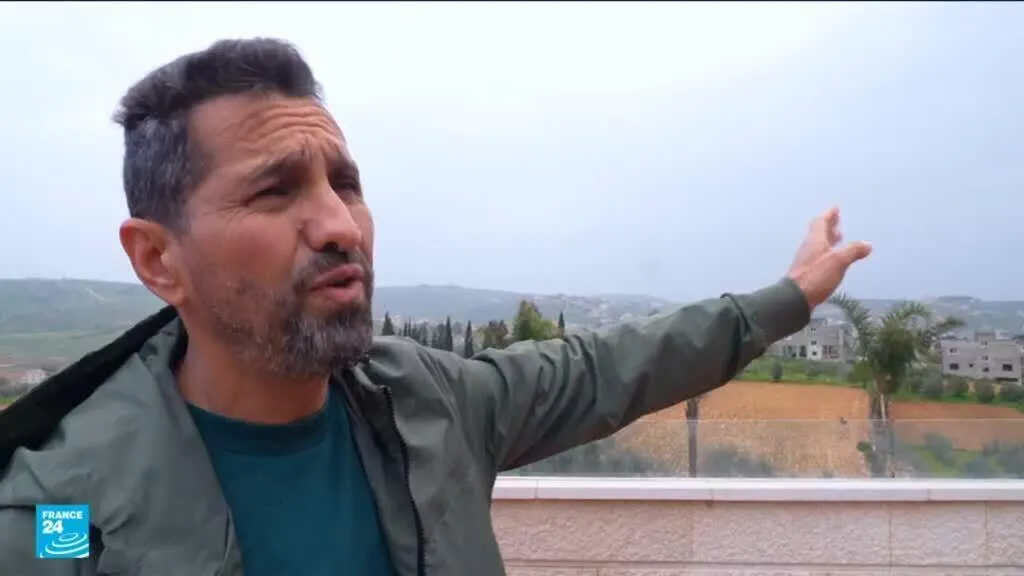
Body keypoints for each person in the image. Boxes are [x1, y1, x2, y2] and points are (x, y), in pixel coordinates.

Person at [0, 38, 871, 576]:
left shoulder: (436, 407)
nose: (341, 225)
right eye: (275, 191)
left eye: (345, 184)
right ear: (159, 259)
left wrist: (785, 300)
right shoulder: (63, 513)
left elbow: (613, 366)